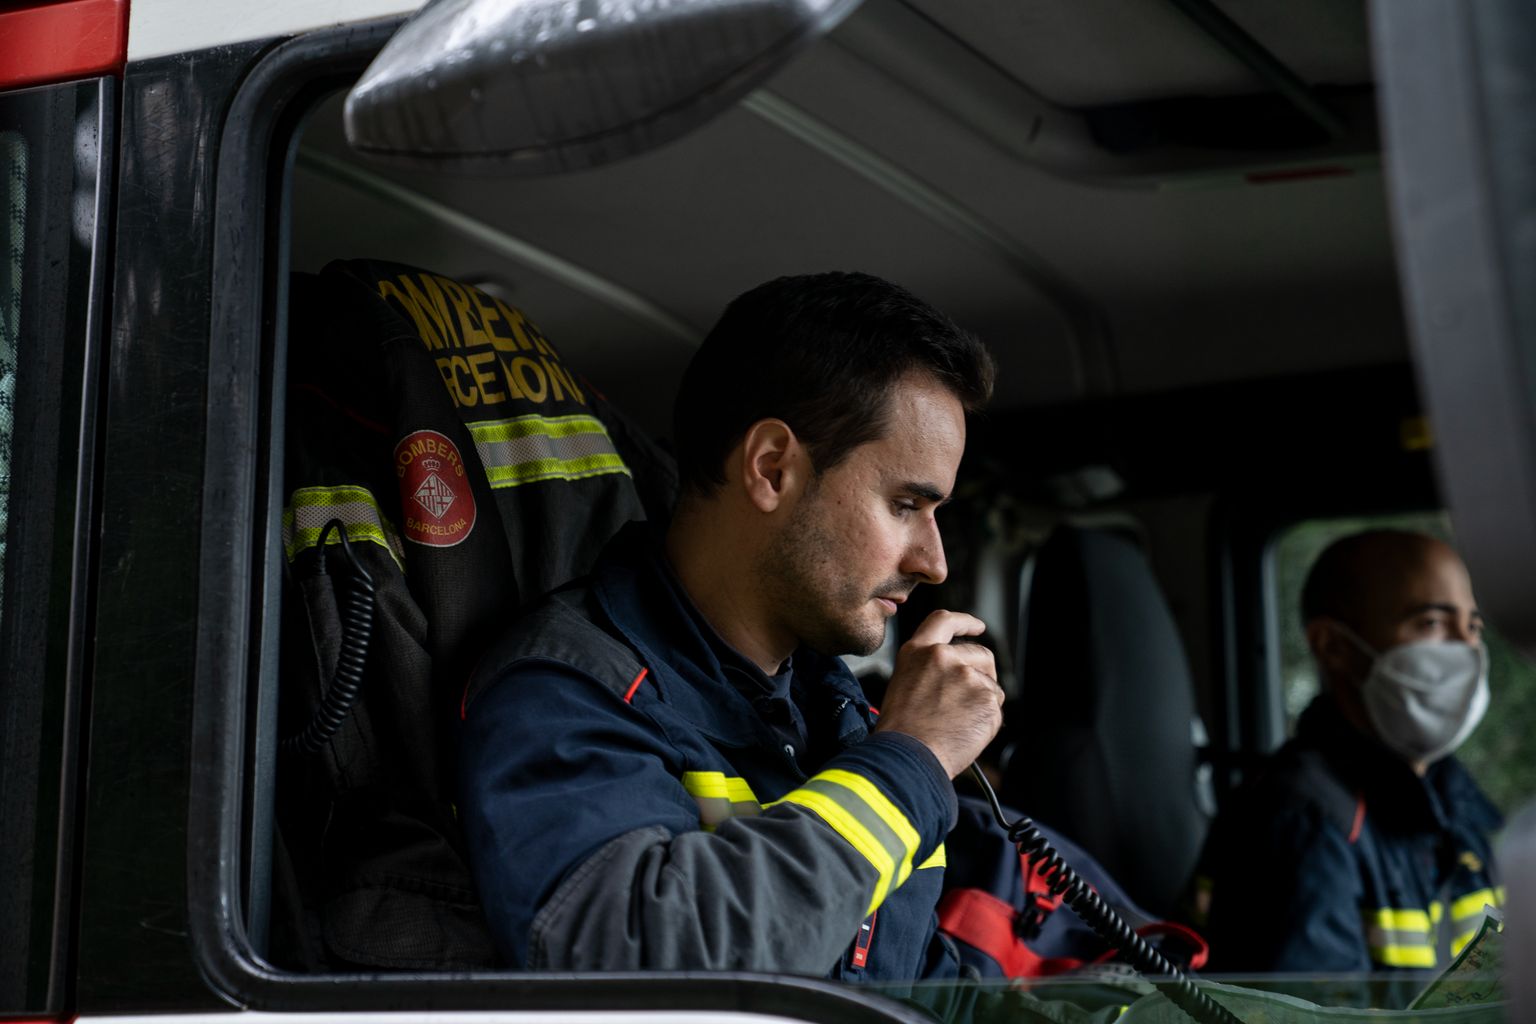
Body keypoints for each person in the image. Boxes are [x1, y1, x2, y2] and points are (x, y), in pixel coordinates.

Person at [457, 271, 1003, 981]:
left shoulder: (844, 721)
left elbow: (912, 983)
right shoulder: (566, 693)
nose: (932, 562)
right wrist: (912, 763)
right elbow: (640, 968)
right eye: (905, 505)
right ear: (772, 469)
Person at [1200, 529, 1503, 974]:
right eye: (1432, 624)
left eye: (1472, 626)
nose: (1468, 652)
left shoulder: (1456, 801)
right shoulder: (1303, 819)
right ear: (1333, 646)